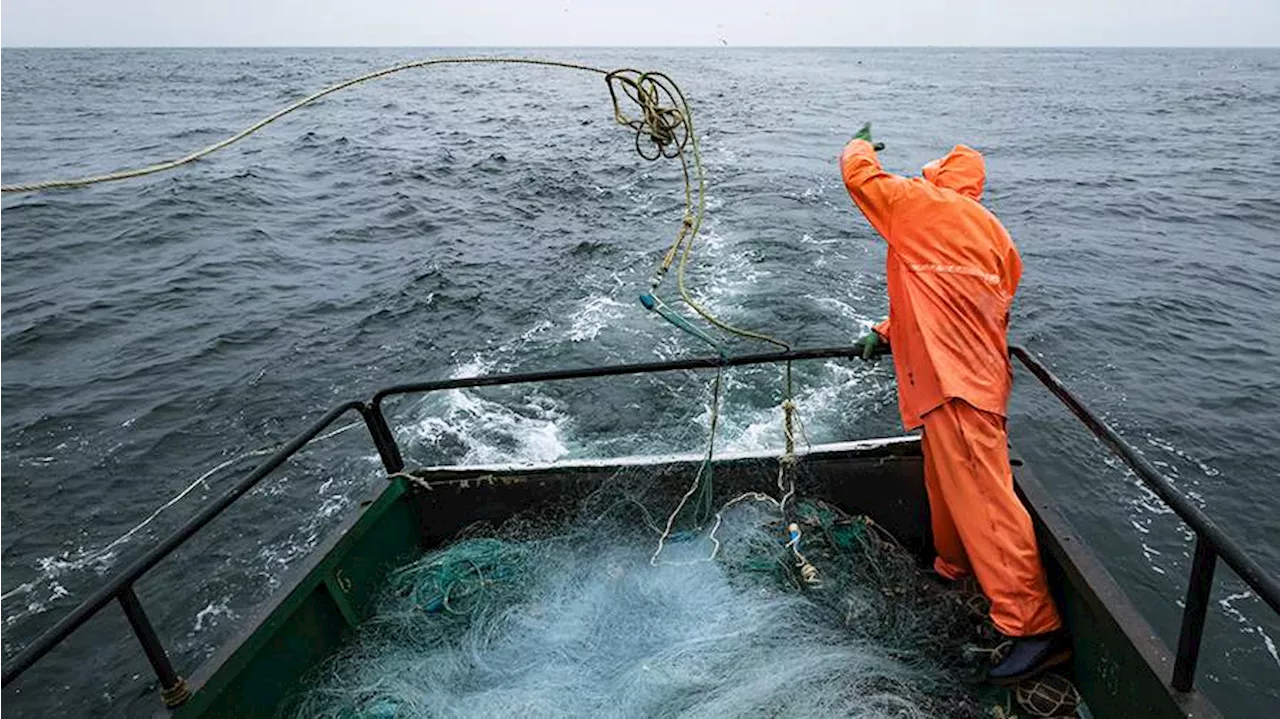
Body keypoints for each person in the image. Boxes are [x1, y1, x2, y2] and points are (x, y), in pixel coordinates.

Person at [839, 124, 1069, 684]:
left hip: (955, 385)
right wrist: (888, 330)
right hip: (973, 380)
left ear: (938, 176)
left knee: (987, 503)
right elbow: (952, 300)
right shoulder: (995, 235)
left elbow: (858, 177)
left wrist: (859, 142)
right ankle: (954, 569)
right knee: (949, 489)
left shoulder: (920, 204)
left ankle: (1034, 627)